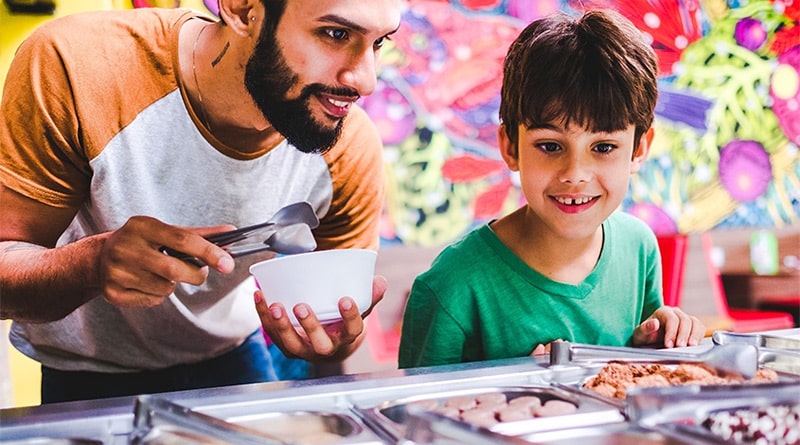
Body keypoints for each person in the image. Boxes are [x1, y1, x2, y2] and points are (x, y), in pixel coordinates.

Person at [0, 0, 403, 403]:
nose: (365, 81)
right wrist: (90, 265)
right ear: (243, 10)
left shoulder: (347, 144)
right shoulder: (78, 65)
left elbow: (341, 328)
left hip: (233, 357)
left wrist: (334, 336)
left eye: (379, 42)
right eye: (336, 34)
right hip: (84, 374)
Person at [398, 9, 706, 369]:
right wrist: (517, 385)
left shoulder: (639, 248)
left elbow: (639, 372)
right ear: (511, 147)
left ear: (638, 149)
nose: (575, 174)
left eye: (603, 147)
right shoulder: (452, 288)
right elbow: (415, 418)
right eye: (550, 146)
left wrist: (664, 335)